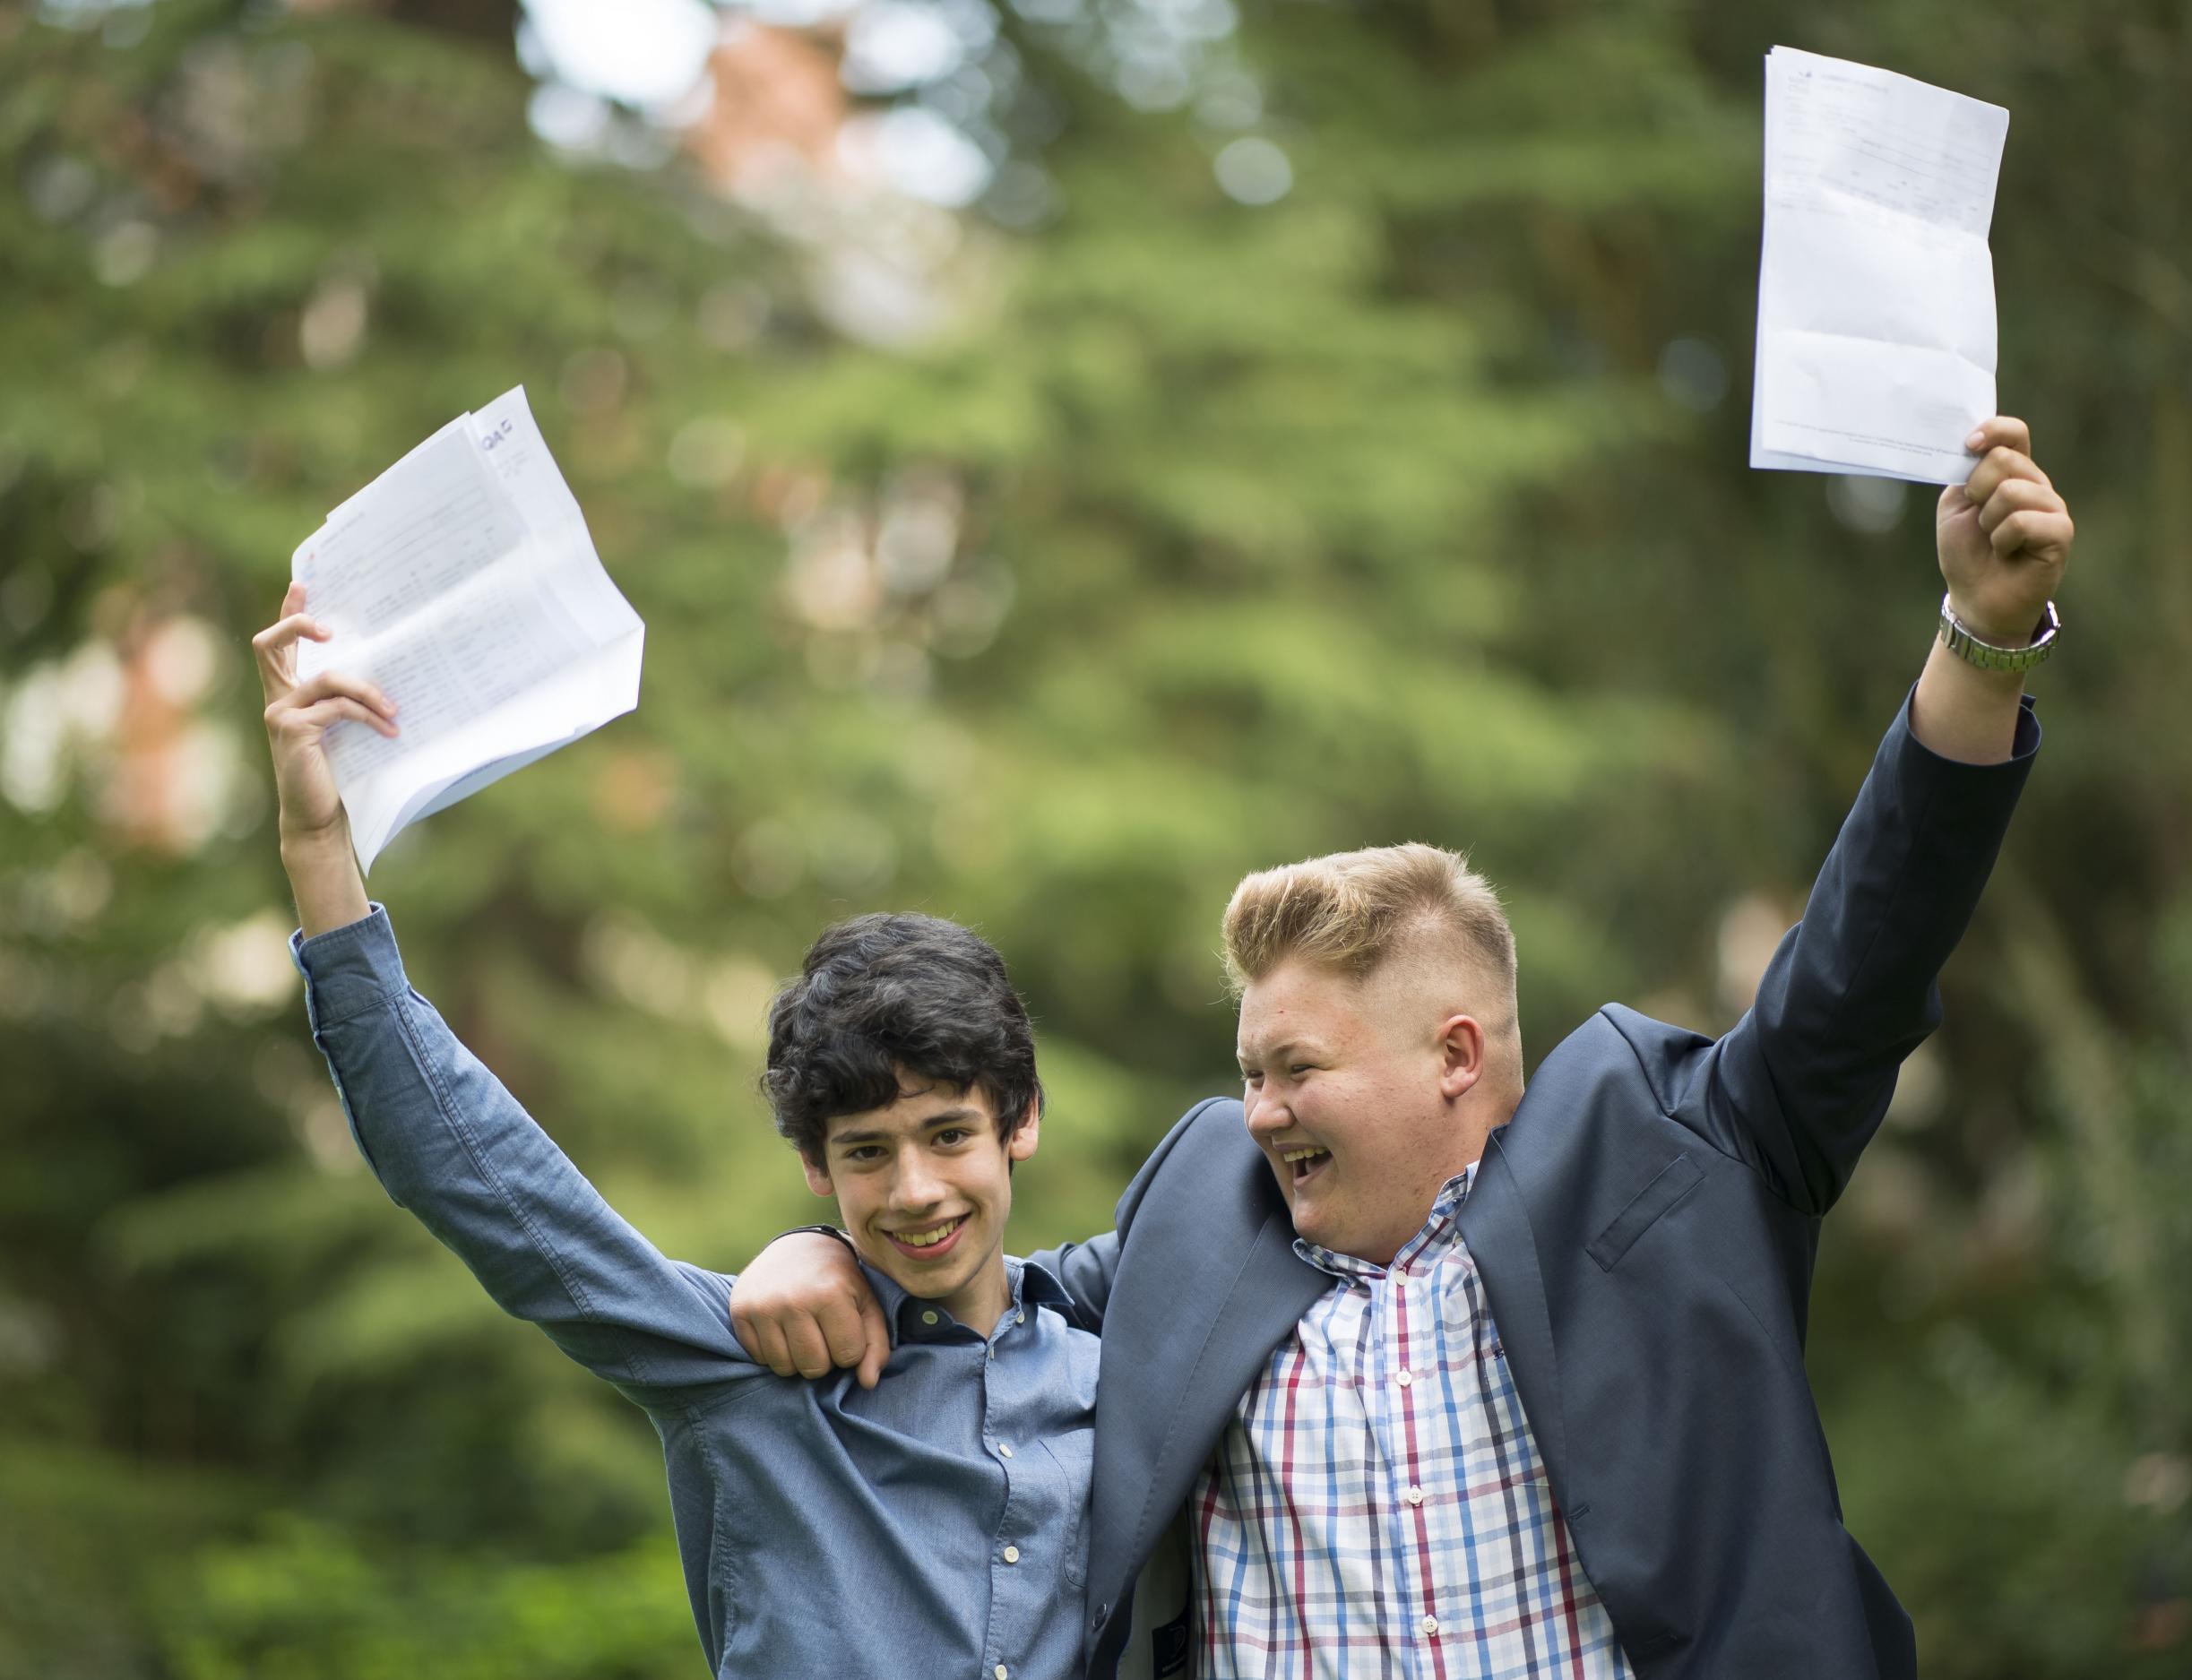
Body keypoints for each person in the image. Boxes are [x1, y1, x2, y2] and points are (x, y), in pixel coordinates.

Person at [728, 417, 2075, 1677]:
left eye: (1296, 1070)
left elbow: (1864, 955)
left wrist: (1982, 638)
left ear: (1454, 1052)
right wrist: (813, 1253)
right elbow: (974, 1279)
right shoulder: (1198, 1217)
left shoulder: (1676, 1151)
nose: (1258, 1111)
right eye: (1250, 1073)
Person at [256, 577, 1098, 1679]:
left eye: (947, 1136)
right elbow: (480, 1181)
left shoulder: (1120, 1368)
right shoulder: (747, 1365)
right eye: (865, 1152)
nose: (915, 1191)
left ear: (1019, 1123)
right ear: (812, 1164)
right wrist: (319, 846)